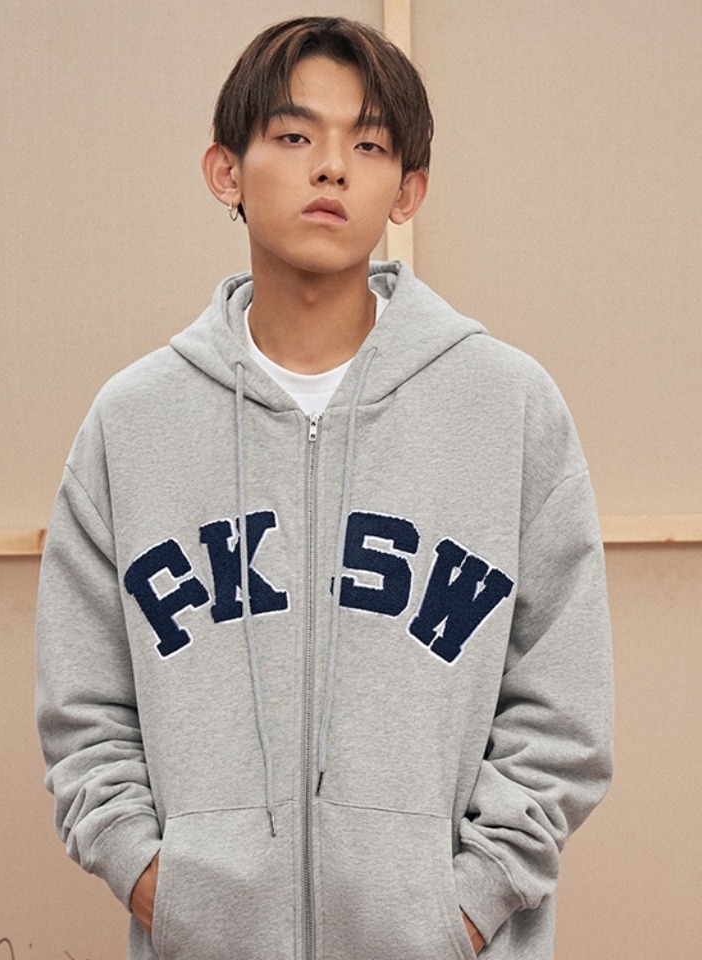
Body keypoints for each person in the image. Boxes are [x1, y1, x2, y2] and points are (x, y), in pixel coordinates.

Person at [35, 16, 613, 960]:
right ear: (226, 171)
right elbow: (84, 708)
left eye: (369, 144)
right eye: (296, 135)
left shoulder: (508, 407)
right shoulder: (132, 422)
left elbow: (563, 706)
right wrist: (166, 891)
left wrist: (462, 907)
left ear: (408, 189)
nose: (333, 168)